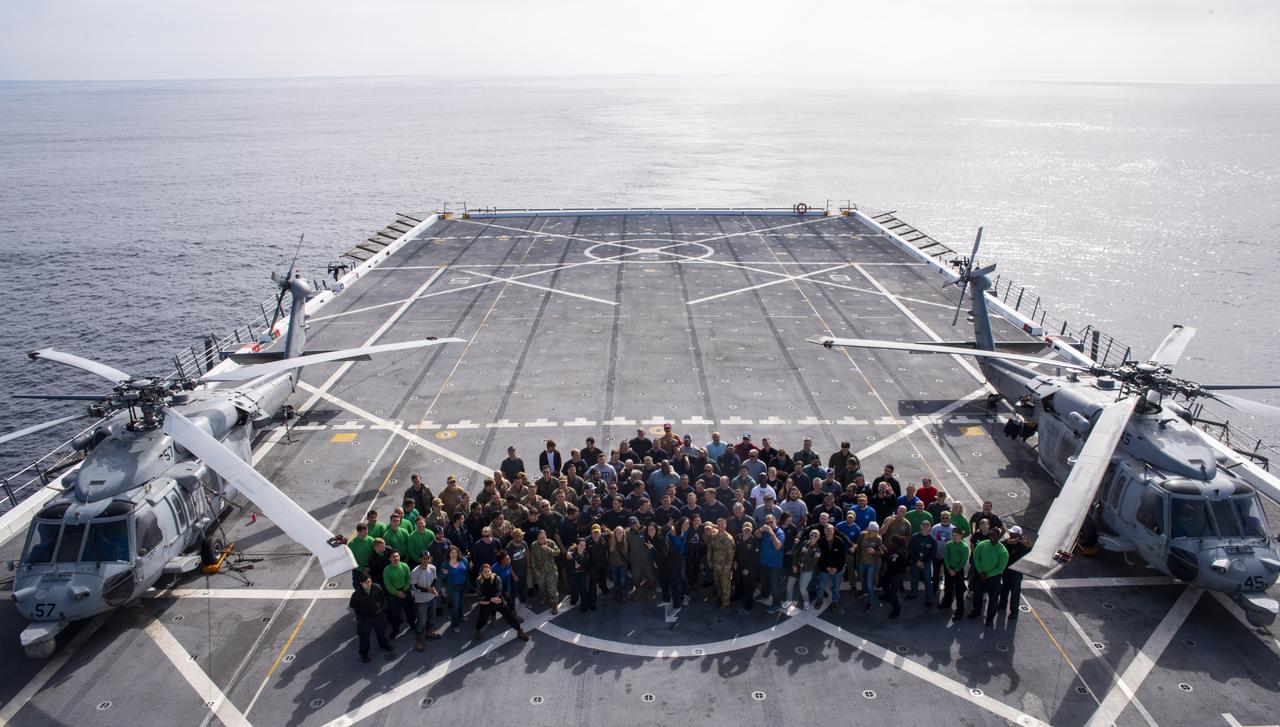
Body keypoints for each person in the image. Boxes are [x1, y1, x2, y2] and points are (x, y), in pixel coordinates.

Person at [474, 563, 531, 642]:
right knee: (482, 619)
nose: (487, 573)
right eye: (484, 572)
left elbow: (499, 591)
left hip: (498, 601)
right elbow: (480, 595)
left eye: (488, 571)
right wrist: (491, 599)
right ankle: (478, 630)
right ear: (481, 573)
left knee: (509, 616)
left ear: (491, 571)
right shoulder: (479, 580)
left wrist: (495, 598)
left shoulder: (496, 578)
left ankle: (519, 631)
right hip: (486, 602)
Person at [349, 572, 393, 662]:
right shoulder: (356, 594)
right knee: (364, 636)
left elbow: (382, 598)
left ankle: (384, 644)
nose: (369, 584)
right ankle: (364, 653)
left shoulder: (377, 587)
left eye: (369, 581)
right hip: (365, 618)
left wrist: (380, 608)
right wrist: (362, 614)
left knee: (381, 631)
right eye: (366, 582)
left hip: (377, 615)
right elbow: (353, 605)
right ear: (361, 583)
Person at [970, 528, 1009, 626]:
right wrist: (980, 571)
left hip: (993, 578)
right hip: (980, 576)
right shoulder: (981, 545)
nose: (992, 537)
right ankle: (976, 611)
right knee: (977, 595)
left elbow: (1000, 568)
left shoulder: (1003, 551)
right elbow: (976, 558)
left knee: (993, 599)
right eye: (991, 535)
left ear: (999, 535)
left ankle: (990, 618)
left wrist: (987, 574)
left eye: (995, 535)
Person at [410, 551, 442, 651]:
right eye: (424, 558)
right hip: (421, 600)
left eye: (428, 558)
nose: (426, 560)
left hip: (431, 598)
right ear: (420, 560)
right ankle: (419, 638)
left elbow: (435, 579)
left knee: (432, 617)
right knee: (422, 621)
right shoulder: (415, 572)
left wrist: (433, 588)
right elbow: (414, 587)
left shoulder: (432, 568)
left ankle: (429, 632)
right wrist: (428, 590)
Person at [998, 526, 1032, 618]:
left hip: (1016, 573)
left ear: (1018, 535)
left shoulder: (1023, 545)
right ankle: (1002, 604)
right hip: (1006, 570)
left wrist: (1030, 546)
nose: (1010, 534)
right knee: (1004, 589)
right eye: (1011, 533)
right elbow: (998, 545)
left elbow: (1031, 553)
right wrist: (1007, 542)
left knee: (1015, 592)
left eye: (1012, 533)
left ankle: (1014, 611)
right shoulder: (1008, 542)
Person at [815, 523, 848, 614]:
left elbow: (842, 557)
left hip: (837, 570)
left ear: (834, 531)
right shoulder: (820, 541)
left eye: (831, 530)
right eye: (827, 530)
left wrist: (836, 568)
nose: (829, 532)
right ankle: (819, 600)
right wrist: (827, 567)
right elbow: (818, 557)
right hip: (824, 569)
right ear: (824, 532)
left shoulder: (839, 541)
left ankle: (835, 602)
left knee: (836, 587)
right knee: (821, 586)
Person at [381, 549, 415, 638]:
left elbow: (409, 579)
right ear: (389, 559)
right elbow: (388, 585)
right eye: (393, 557)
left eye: (397, 556)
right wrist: (397, 593)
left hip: (405, 590)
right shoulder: (386, 570)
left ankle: (412, 624)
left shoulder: (405, 566)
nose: (396, 558)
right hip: (394, 594)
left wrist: (404, 590)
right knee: (395, 614)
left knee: (410, 610)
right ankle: (395, 630)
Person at [757, 515, 786, 614]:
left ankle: (776, 603)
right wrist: (761, 529)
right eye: (767, 523)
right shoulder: (764, 531)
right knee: (764, 582)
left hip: (774, 565)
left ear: (775, 521)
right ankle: (765, 595)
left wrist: (771, 532)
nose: (769, 524)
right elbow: (756, 535)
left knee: (775, 586)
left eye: (771, 522)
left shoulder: (780, 532)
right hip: (764, 562)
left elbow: (778, 546)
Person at [530, 529, 562, 613]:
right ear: (537, 537)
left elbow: (558, 552)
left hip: (551, 569)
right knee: (542, 586)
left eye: (544, 537)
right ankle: (543, 597)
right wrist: (535, 570)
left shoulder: (550, 542)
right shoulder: (533, 545)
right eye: (540, 537)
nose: (542, 539)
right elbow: (532, 559)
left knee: (552, 588)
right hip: (540, 571)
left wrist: (548, 549)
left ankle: (554, 604)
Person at [907, 520, 938, 608]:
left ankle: (929, 600)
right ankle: (913, 593)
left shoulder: (933, 540)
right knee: (914, 579)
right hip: (915, 562)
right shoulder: (914, 537)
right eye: (923, 525)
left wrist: (923, 562)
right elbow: (911, 550)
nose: (925, 527)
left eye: (927, 526)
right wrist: (917, 561)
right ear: (921, 526)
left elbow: (932, 554)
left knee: (928, 581)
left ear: (930, 527)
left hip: (926, 564)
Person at [940, 528, 970, 619]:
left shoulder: (964, 547)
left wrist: (955, 570)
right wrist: (949, 569)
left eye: (956, 535)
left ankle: (960, 611)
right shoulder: (949, 544)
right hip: (949, 569)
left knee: (959, 592)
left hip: (958, 571)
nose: (954, 537)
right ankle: (946, 603)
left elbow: (963, 561)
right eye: (953, 535)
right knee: (948, 587)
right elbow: (945, 557)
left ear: (961, 536)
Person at [789, 528, 821, 610]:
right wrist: (794, 565)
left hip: (806, 571)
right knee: (789, 584)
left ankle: (806, 602)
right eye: (812, 534)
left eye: (815, 535)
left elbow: (813, 563)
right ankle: (788, 600)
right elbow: (796, 553)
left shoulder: (818, 550)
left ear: (818, 537)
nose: (813, 536)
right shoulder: (804, 543)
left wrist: (802, 565)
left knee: (802, 589)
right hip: (797, 567)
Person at [706, 521, 736, 610]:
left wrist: (727, 567)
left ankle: (726, 603)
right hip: (715, 565)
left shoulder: (729, 538)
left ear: (725, 525)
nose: (720, 526)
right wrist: (709, 561)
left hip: (724, 567)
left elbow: (731, 555)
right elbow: (709, 550)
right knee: (717, 583)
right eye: (718, 524)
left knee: (725, 585)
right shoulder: (713, 536)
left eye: (722, 524)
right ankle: (719, 597)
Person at [440, 546, 470, 633]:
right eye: (452, 553)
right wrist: (445, 574)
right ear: (449, 554)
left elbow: (467, 570)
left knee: (461, 603)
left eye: (455, 552)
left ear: (458, 553)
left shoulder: (463, 560)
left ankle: (461, 616)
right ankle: (455, 624)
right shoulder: (445, 564)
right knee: (455, 606)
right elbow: (441, 577)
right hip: (453, 588)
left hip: (464, 586)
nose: (454, 554)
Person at [857, 522, 884, 612]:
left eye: (876, 531)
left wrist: (874, 552)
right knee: (861, 579)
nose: (874, 533)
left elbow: (881, 553)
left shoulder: (878, 539)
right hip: (862, 562)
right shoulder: (862, 535)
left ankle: (870, 603)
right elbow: (858, 546)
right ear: (869, 530)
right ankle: (864, 591)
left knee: (869, 584)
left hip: (871, 563)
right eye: (872, 531)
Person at [880, 535, 909, 619]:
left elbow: (890, 561)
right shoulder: (894, 548)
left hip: (897, 574)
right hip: (892, 571)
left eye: (891, 541)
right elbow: (890, 555)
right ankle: (886, 596)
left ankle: (896, 609)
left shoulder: (898, 552)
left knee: (893, 592)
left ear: (895, 543)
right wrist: (885, 551)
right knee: (884, 582)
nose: (889, 543)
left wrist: (881, 554)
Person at [734, 522, 760, 615]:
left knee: (748, 586)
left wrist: (748, 569)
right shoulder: (738, 537)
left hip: (749, 569)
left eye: (749, 529)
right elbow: (735, 551)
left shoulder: (754, 541)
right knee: (738, 582)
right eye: (745, 528)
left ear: (752, 530)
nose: (747, 530)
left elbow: (755, 558)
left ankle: (749, 603)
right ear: (742, 528)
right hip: (738, 565)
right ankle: (738, 596)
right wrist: (734, 561)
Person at [347, 522, 374, 589]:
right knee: (358, 587)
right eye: (364, 531)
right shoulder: (352, 544)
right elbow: (352, 560)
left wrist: (370, 567)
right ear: (358, 531)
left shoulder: (371, 540)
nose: (367, 532)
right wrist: (362, 569)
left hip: (370, 568)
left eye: (367, 530)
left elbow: (374, 555)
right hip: (358, 570)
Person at [567, 537, 589, 607]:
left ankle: (584, 605)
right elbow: (567, 566)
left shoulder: (586, 553)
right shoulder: (571, 554)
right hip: (573, 574)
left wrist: (581, 565)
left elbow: (586, 564)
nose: (582, 547)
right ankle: (574, 599)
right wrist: (574, 567)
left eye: (584, 545)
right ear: (577, 545)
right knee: (574, 588)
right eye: (581, 545)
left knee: (583, 589)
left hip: (582, 573)